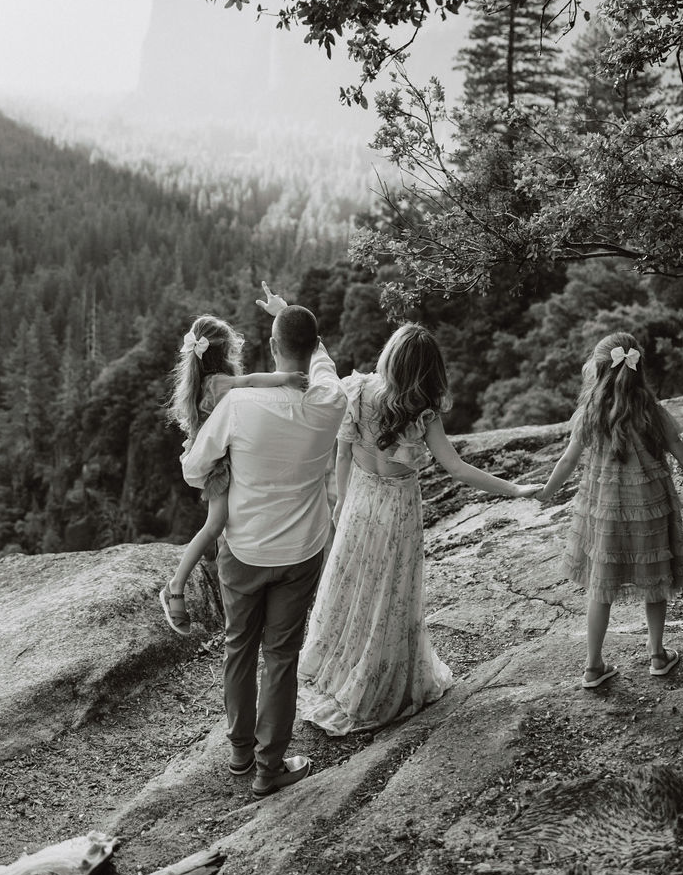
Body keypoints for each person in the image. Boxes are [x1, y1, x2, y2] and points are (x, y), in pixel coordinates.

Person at [298, 323, 539, 736]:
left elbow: (341, 453)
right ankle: (376, 682)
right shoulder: (421, 412)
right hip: (396, 508)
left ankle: (335, 670)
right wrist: (513, 488)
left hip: (359, 499)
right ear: (427, 371)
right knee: (389, 595)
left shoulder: (357, 391)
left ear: (389, 356)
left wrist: (339, 506)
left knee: (352, 584)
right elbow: (457, 468)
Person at [180, 282, 346, 798]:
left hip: (244, 549)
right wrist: (296, 324)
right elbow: (322, 366)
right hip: (301, 550)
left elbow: (192, 468)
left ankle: (239, 752)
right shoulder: (331, 402)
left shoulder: (239, 405)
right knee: (281, 657)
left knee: (239, 648)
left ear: (273, 350)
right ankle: (269, 766)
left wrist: (223, 476)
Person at [538, 331, 683, 689]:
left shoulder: (589, 412)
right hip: (650, 506)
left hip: (604, 508)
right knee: (655, 580)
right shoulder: (651, 410)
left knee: (601, 586)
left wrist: (546, 491)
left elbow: (568, 459)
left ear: (599, 369)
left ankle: (593, 666)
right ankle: (656, 655)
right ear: (638, 368)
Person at [159, 314, 307, 636]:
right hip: (220, 466)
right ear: (225, 352)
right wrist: (285, 379)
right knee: (214, 525)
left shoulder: (204, 380)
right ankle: (176, 586)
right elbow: (252, 381)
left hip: (225, 459)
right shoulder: (219, 382)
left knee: (223, 523)